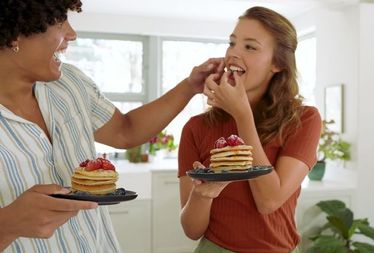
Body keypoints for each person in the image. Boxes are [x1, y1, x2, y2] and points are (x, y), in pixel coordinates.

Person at [0, 0, 224, 252]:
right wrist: (7, 224)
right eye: (58, 21)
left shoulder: (69, 83)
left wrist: (190, 86)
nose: (72, 34)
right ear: (13, 35)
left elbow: (125, 130)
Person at [178, 6, 322, 253]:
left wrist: (241, 116)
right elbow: (192, 230)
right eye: (232, 43)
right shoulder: (196, 128)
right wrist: (202, 195)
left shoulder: (304, 120)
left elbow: (269, 201)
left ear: (277, 64)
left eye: (250, 47)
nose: (234, 54)